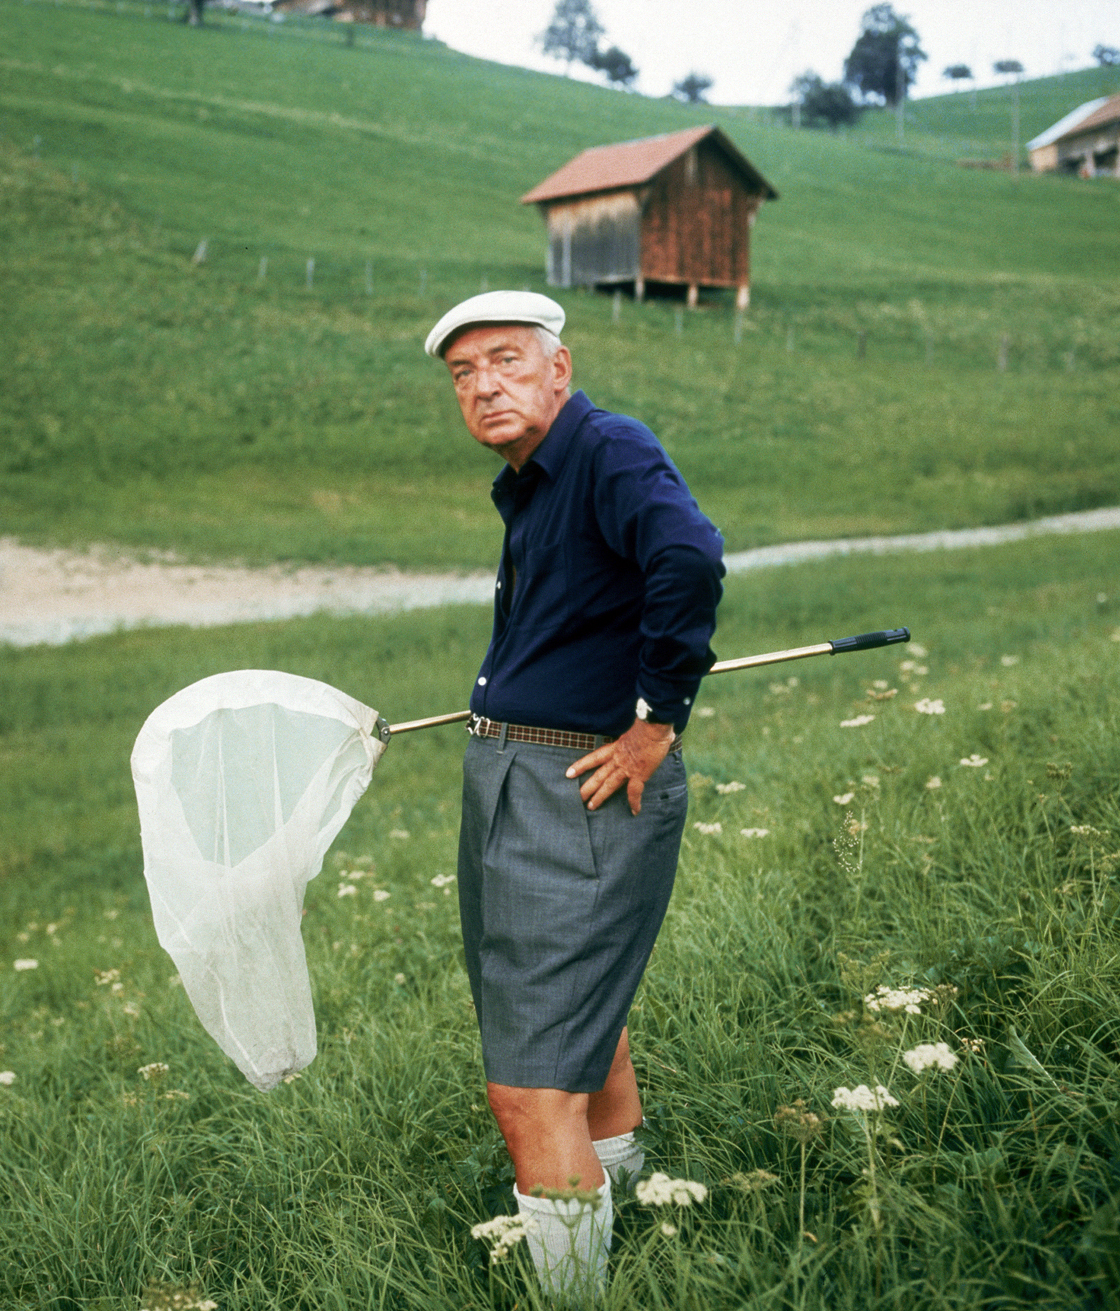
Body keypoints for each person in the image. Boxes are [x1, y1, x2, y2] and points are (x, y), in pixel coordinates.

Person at [424, 291, 725, 1300]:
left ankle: (574, 1293)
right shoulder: (533, 479)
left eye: (505, 361)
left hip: (577, 789)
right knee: (569, 1021)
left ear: (558, 367)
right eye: (463, 374)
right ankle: (637, 1207)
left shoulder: (605, 447)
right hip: (518, 780)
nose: (483, 386)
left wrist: (654, 720)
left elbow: (687, 555)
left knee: (526, 1081)